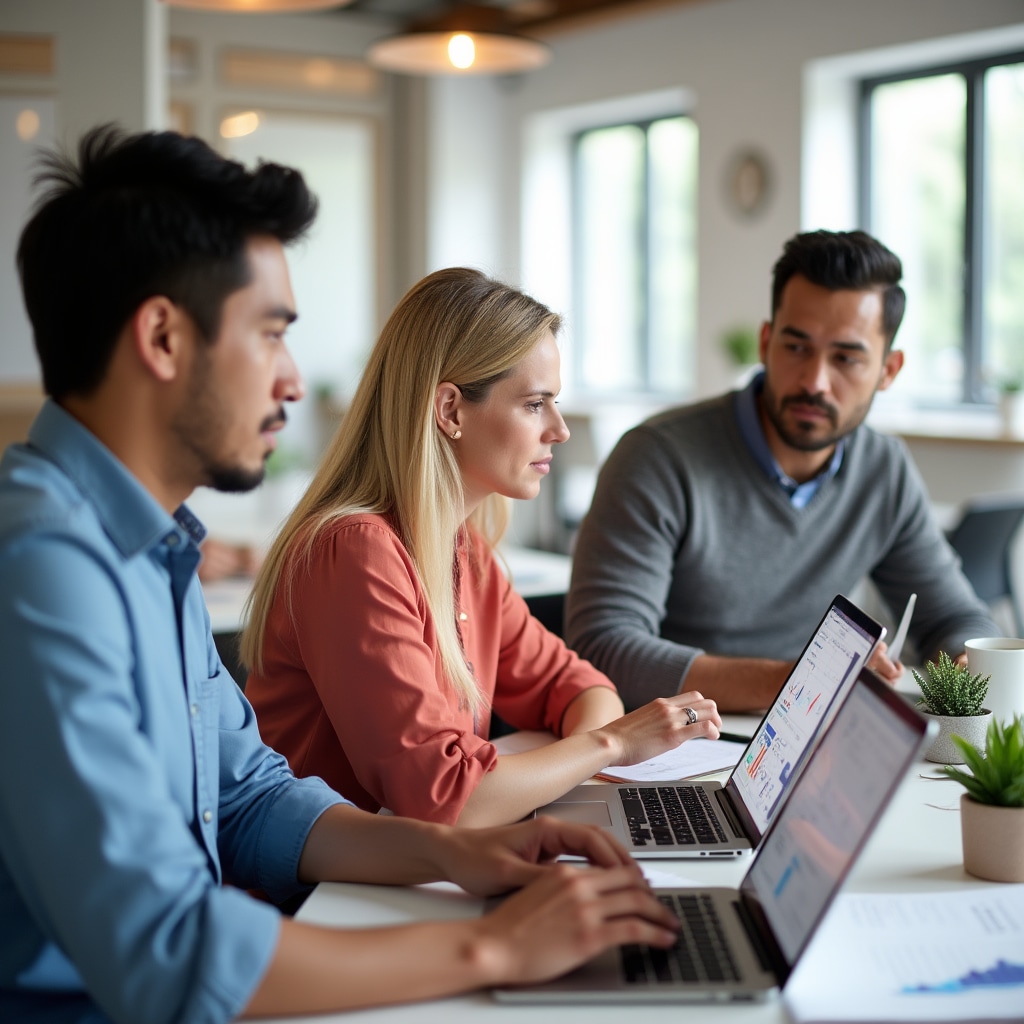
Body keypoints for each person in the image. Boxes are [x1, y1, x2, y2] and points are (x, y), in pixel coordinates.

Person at [0, 125, 682, 1024]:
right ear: (162, 337)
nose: (291, 381)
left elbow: (249, 801)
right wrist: (493, 946)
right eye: (271, 334)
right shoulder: (41, 567)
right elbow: (167, 951)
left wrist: (450, 855)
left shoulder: (148, 549)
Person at [242, 267, 722, 828]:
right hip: (322, 894)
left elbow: (578, 686)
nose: (560, 430)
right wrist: (612, 746)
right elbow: (449, 797)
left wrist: (587, 744)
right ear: (450, 411)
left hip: (410, 873)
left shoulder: (465, 552)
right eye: (534, 403)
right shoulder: (355, 552)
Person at [565, 229, 1000, 713]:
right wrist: (803, 680)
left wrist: (967, 658)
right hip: (671, 747)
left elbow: (954, 616)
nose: (815, 381)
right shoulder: (658, 458)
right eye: (796, 348)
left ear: (888, 370)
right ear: (767, 342)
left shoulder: (883, 469)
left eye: (846, 358)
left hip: (805, 744)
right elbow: (602, 648)